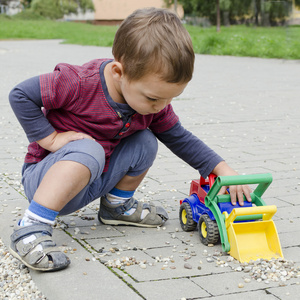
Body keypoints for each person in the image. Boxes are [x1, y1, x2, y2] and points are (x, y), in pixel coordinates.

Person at [8, 7, 251, 272]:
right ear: (118, 72)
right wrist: (51, 139)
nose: (162, 106)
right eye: (153, 98)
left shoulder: (151, 105)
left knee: (146, 140)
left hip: (94, 178)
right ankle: (32, 227)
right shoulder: (78, 83)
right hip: (46, 183)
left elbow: (180, 138)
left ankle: (116, 207)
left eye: (171, 98)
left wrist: (222, 169)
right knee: (90, 149)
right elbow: (20, 95)